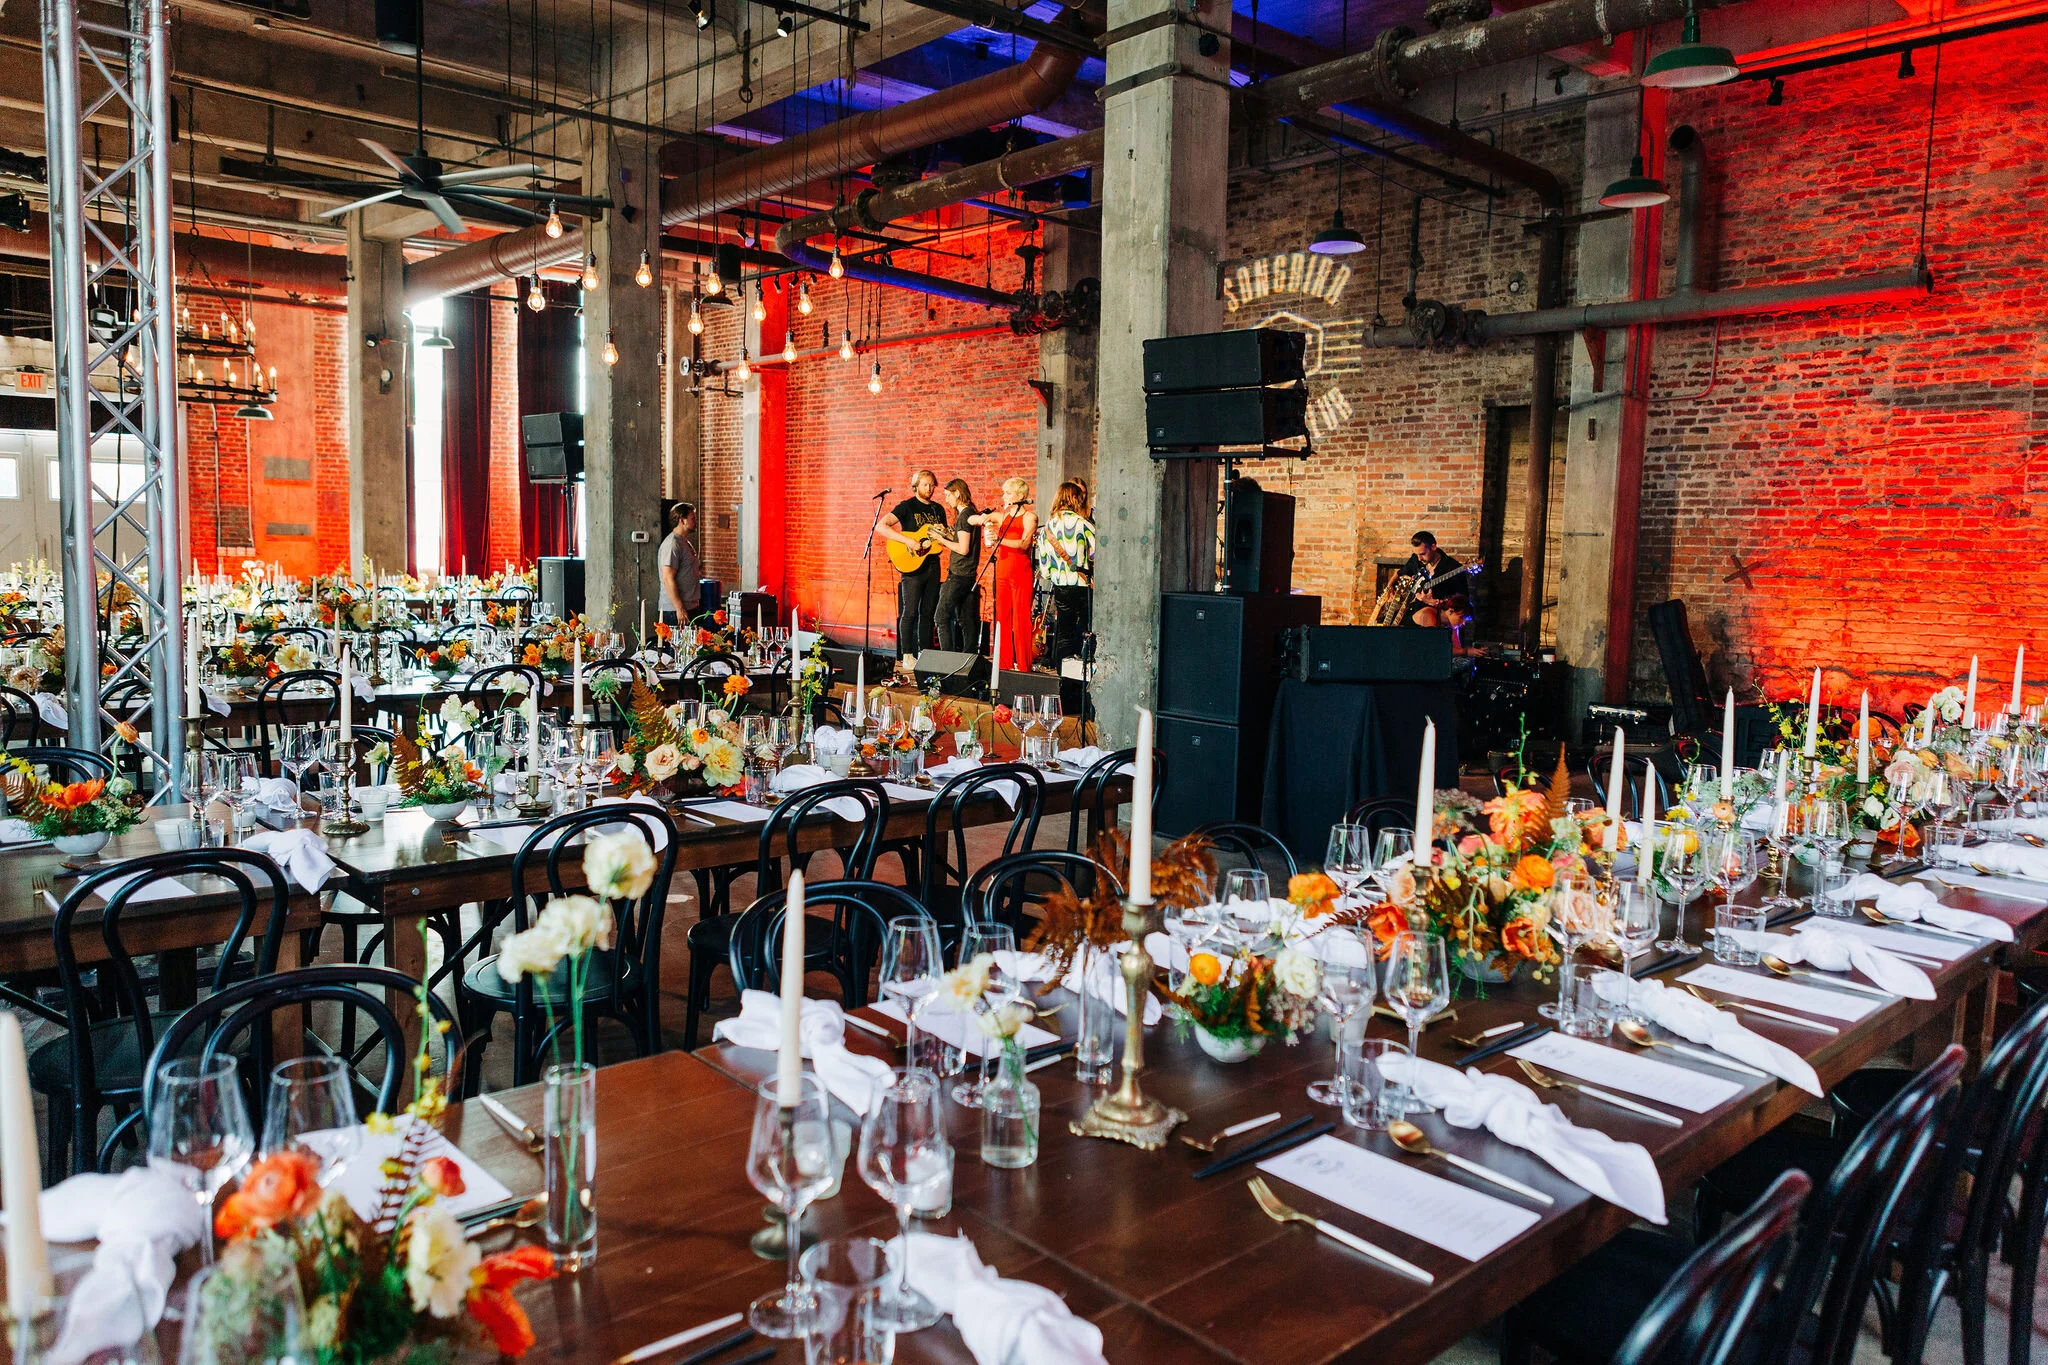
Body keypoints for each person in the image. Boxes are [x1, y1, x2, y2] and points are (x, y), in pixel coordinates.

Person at [876, 469, 949, 660]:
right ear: (916, 486)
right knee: (910, 611)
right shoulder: (907, 506)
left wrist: (945, 535)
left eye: (932, 485)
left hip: (933, 564)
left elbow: (944, 538)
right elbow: (881, 526)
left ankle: (925, 655)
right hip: (911, 565)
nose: (930, 489)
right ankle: (907, 654)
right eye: (925, 485)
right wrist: (908, 542)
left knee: (928, 611)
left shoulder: (938, 509)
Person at [973, 476, 1037, 674]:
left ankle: (1025, 667)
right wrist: (983, 521)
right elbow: (972, 518)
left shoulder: (1029, 517)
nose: (1004, 496)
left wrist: (999, 540)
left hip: (1020, 572)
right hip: (1001, 570)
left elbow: (1024, 543)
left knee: (1021, 620)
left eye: (1008, 493)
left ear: (1019, 495)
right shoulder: (1003, 516)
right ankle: (1004, 665)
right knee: (1002, 619)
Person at [1034, 480, 1094, 670]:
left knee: (1064, 630)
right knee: (1085, 627)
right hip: (1082, 584)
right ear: (1075, 499)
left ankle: (1063, 671)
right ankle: (1081, 669)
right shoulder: (1083, 524)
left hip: (1061, 585)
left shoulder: (1047, 529)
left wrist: (1057, 574)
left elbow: (1044, 567)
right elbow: (1097, 553)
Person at [932, 478, 981, 653]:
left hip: (959, 575)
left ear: (958, 493)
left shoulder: (964, 516)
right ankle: (968, 658)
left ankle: (947, 659)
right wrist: (947, 532)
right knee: (965, 619)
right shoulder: (969, 514)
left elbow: (963, 548)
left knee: (941, 617)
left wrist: (941, 540)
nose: (946, 499)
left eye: (948, 495)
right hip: (968, 575)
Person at [1399, 530, 1468, 630]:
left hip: (1438, 619)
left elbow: (1462, 602)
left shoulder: (1453, 568)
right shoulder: (1416, 559)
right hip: (1413, 612)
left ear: (1433, 547)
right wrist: (1390, 588)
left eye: (1422, 553)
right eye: (1417, 554)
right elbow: (1400, 574)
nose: (1419, 558)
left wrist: (1435, 602)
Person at [658, 502, 701, 627]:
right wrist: (679, 608)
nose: (695, 521)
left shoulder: (685, 542)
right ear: (682, 520)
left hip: (690, 606)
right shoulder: (672, 544)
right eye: (692, 518)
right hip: (675, 611)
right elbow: (667, 578)